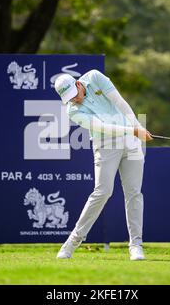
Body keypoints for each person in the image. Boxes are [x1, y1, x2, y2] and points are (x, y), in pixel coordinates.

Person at [53, 69, 153, 261]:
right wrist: (132, 130)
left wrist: (137, 127)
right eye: (69, 99)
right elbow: (102, 127)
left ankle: (136, 245)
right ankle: (72, 243)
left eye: (74, 95)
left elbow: (120, 102)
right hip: (106, 144)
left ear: (78, 84)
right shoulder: (73, 111)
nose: (74, 100)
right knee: (103, 191)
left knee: (134, 192)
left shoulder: (94, 77)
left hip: (132, 141)